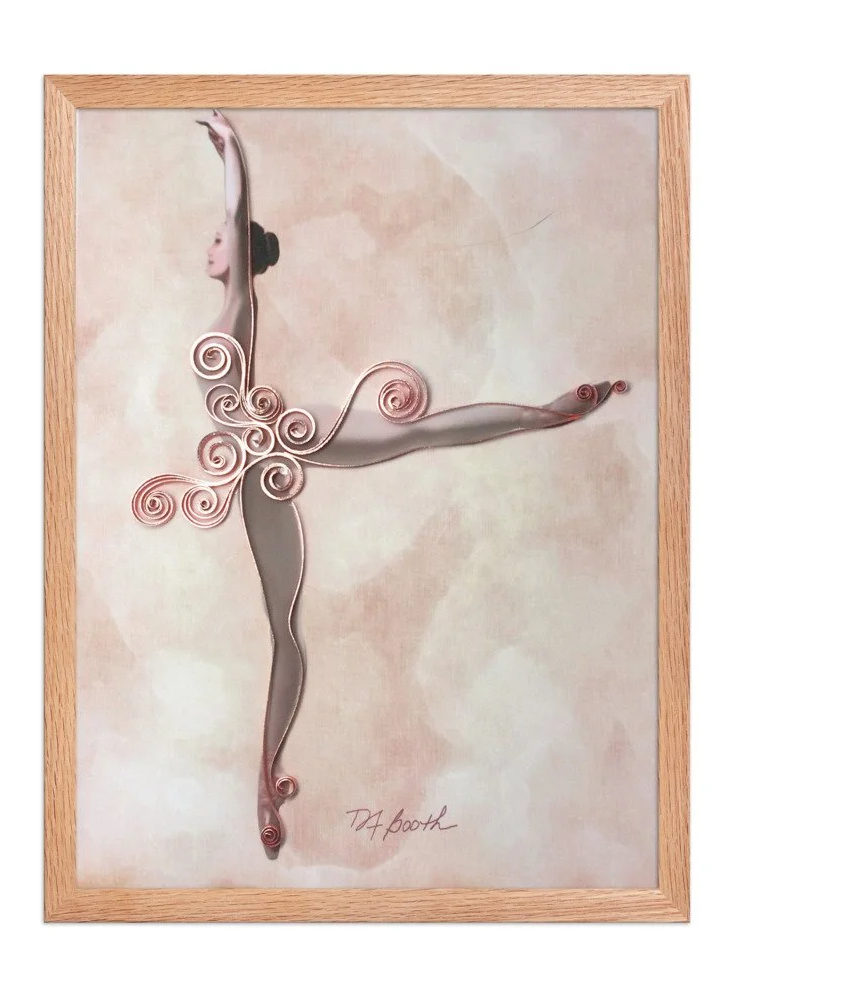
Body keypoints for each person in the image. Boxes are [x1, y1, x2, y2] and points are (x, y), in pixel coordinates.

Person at [188, 109, 624, 856]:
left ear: (241, 257)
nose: (210, 246)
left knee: (418, 430)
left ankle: (554, 412)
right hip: (259, 470)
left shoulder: (236, 303)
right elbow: (232, 222)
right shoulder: (224, 307)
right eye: (216, 238)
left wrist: (231, 150)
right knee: (282, 626)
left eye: (219, 240)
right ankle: (266, 784)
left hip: (287, 436)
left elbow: (236, 210)